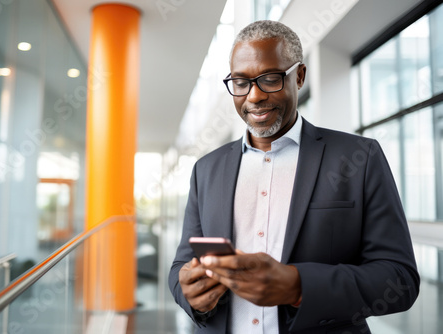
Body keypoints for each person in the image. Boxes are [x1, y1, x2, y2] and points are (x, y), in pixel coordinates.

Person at [168, 20, 419, 334]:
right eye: (241, 82)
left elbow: (400, 280)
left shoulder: (359, 157)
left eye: (270, 79)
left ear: (298, 76)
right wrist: (188, 293)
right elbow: (181, 265)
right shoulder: (206, 169)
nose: (254, 96)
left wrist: (299, 286)